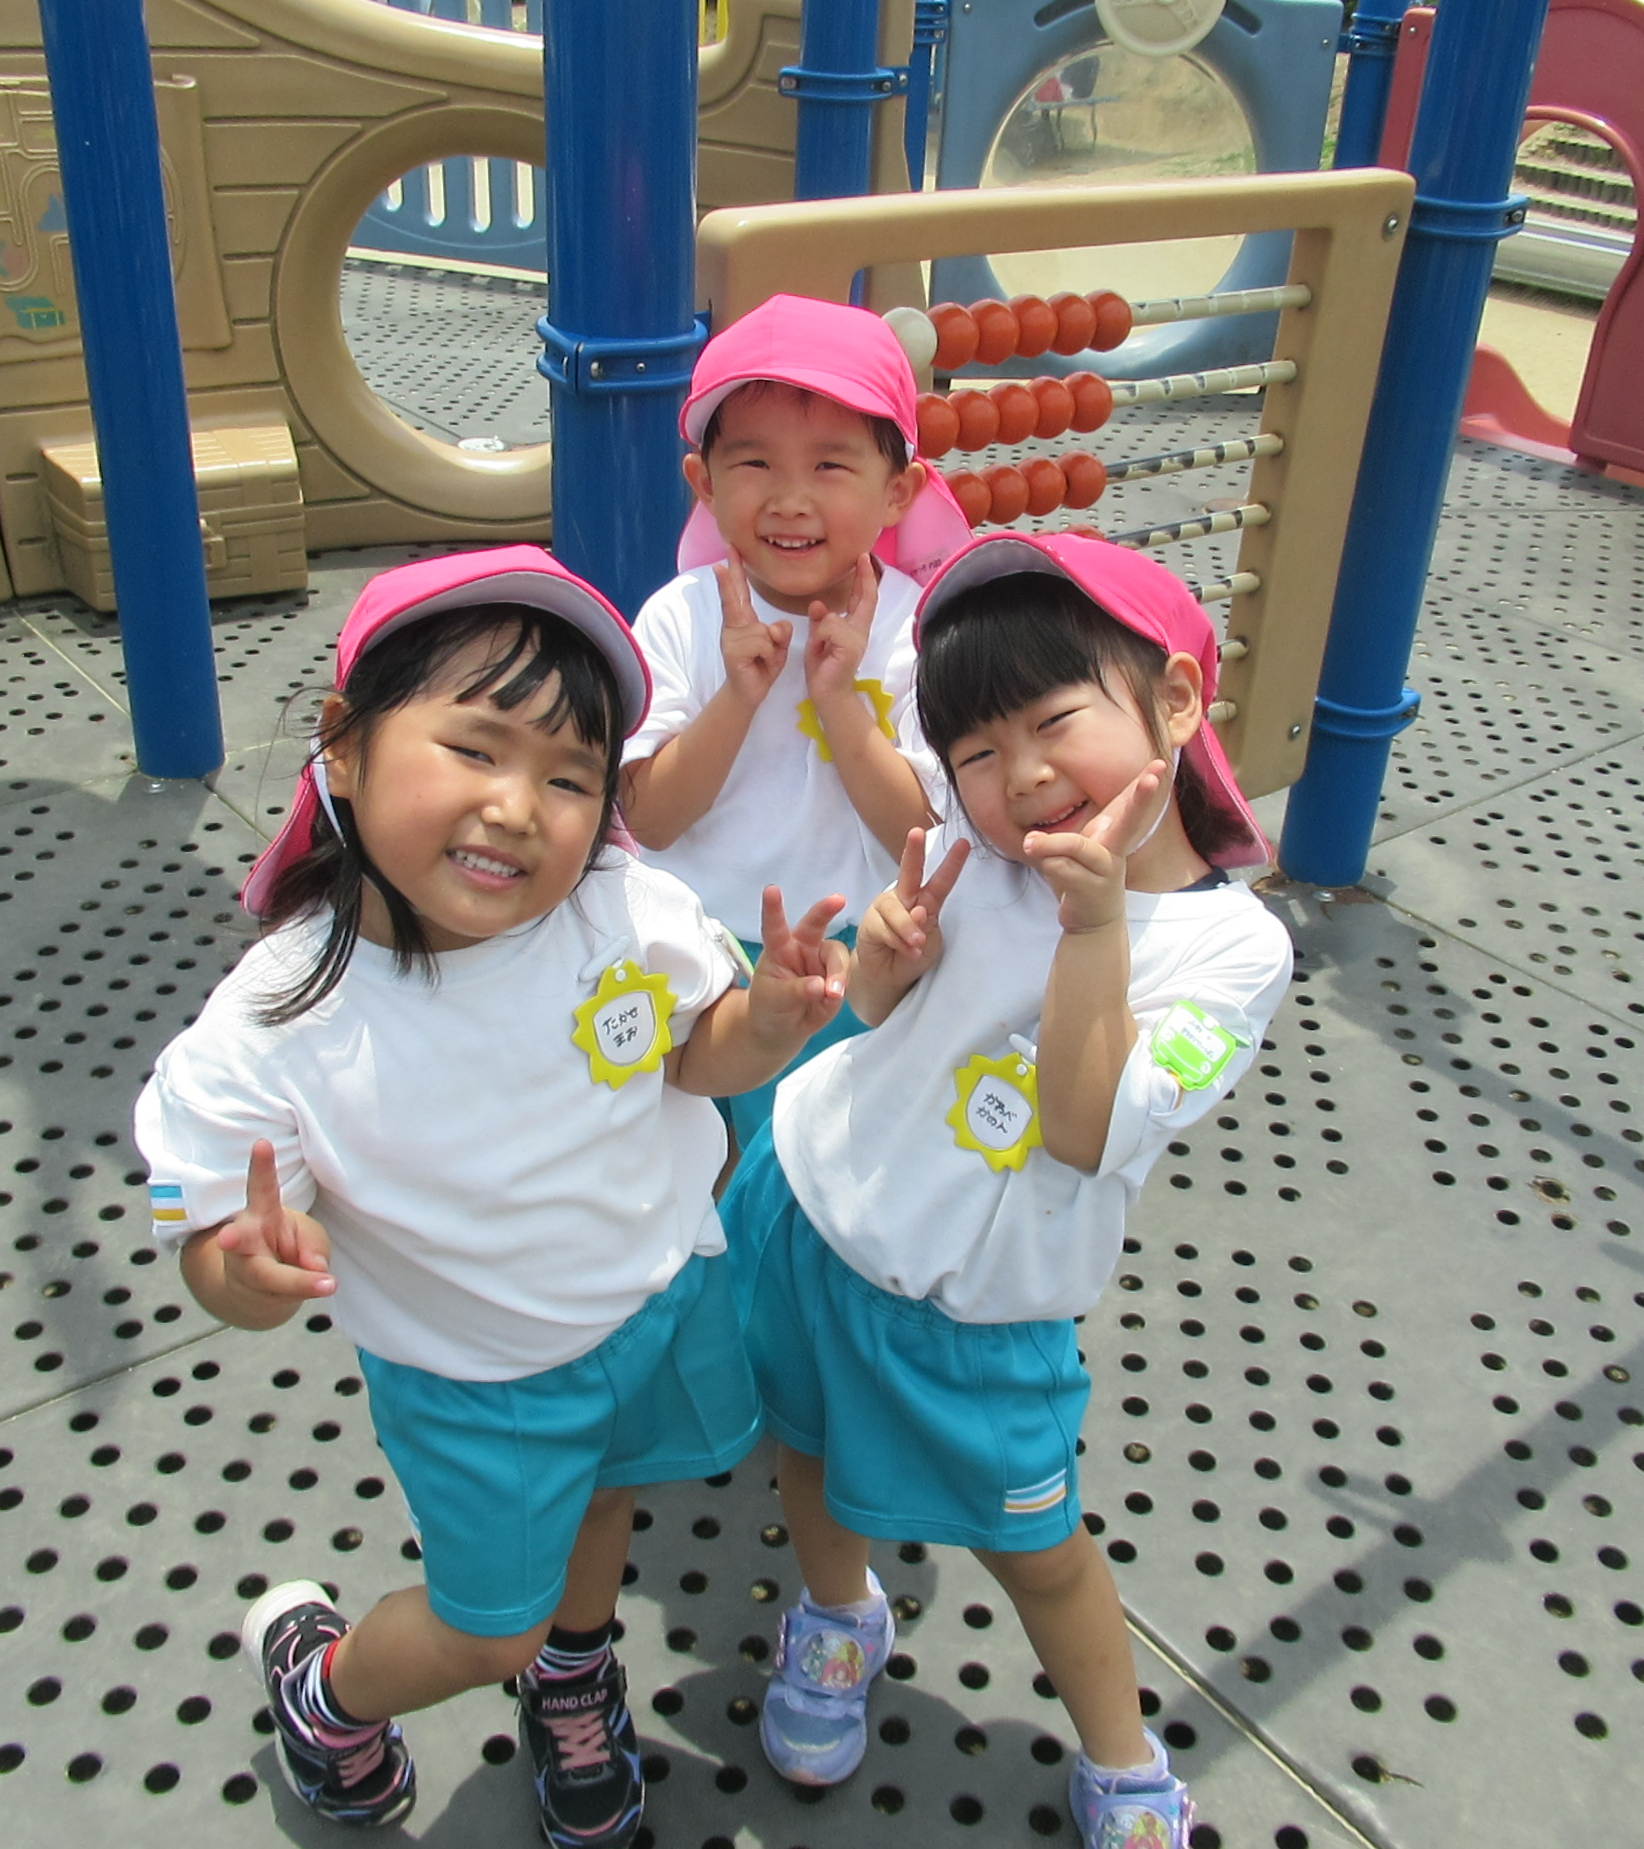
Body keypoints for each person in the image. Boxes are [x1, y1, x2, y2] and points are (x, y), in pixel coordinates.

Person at [133, 546, 851, 1847]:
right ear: (342, 745)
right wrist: (243, 1266)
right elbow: (217, 1252)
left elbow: (695, 1054)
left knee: (606, 1498)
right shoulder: (280, 1022)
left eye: (570, 777)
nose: (520, 807)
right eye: (474, 749)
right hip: (476, 1380)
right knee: (482, 1627)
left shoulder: (620, 912)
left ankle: (572, 1673)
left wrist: (768, 1023)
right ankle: (328, 1693)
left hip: (645, 1307)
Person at [721, 529, 1296, 1848]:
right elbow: (877, 1013)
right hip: (811, 1207)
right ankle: (840, 1614)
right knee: (806, 1448)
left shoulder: (1229, 950)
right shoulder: (980, 847)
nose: (1021, 775)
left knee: (1040, 1553)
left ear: (1173, 701)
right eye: (978, 751)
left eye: (1053, 723)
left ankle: (1124, 1759)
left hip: (980, 1314)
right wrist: (887, 957)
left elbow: (1087, 1129)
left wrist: (1093, 926)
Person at [621, 292, 972, 1145]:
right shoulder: (679, 618)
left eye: (829, 467)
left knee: (819, 1159)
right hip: (693, 949)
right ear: (704, 483)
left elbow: (925, 834)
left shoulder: (917, 633)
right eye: (754, 464)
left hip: (847, 960)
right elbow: (648, 819)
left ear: (898, 492)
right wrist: (739, 697)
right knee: (694, 1156)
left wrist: (839, 704)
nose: (789, 499)